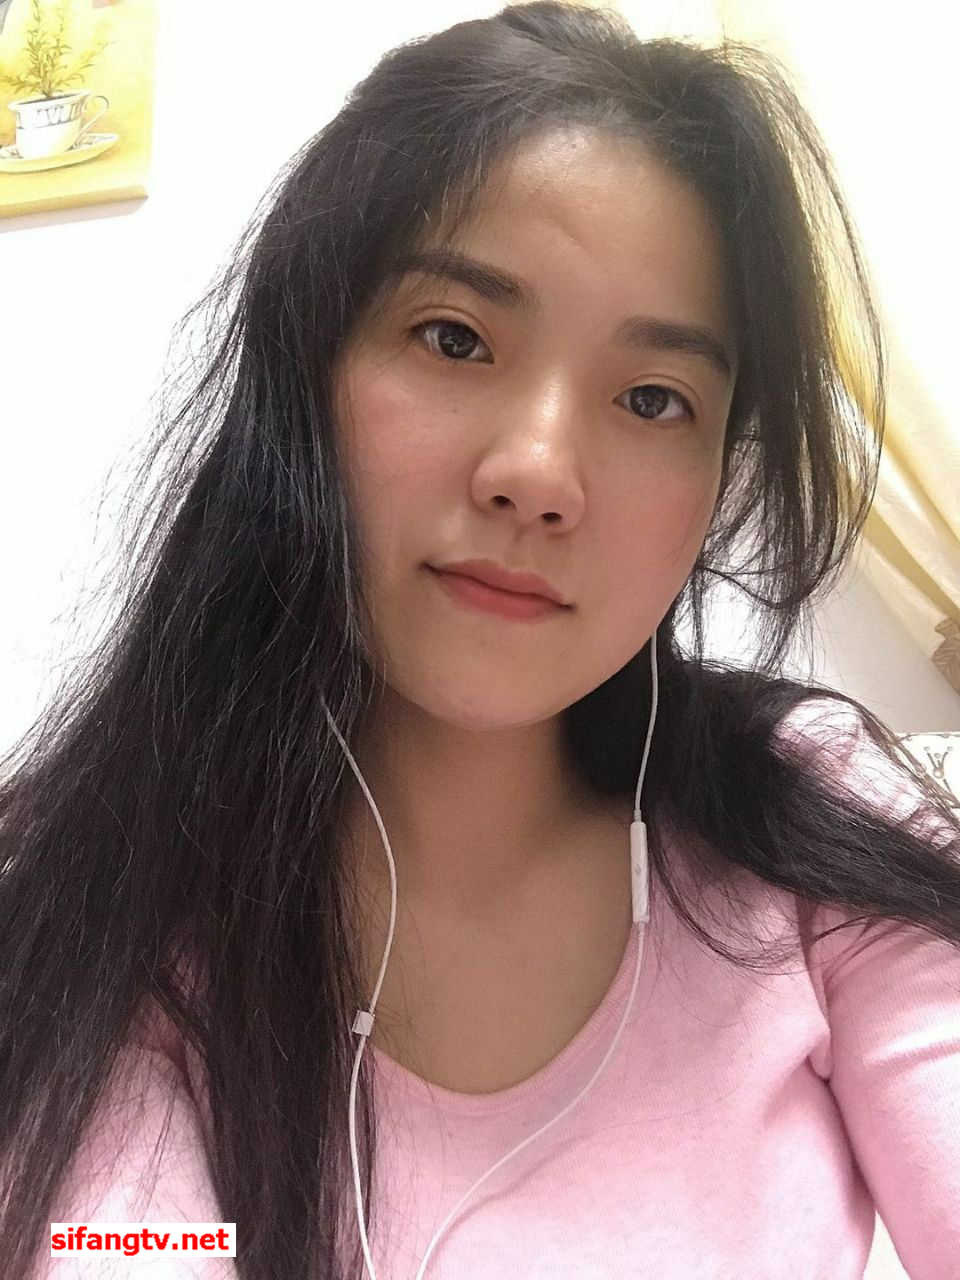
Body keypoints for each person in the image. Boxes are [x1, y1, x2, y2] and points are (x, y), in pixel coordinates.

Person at [2, 3, 959, 1278]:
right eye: (454, 337)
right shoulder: (106, 894)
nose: (539, 473)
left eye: (653, 398)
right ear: (305, 370)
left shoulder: (814, 817)